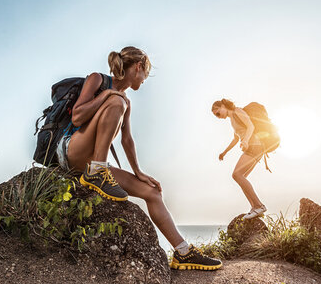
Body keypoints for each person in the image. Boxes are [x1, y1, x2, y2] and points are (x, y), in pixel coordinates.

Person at [57, 46, 222, 271]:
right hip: (72, 151)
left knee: (152, 192)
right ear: (139, 67)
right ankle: (97, 171)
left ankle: (183, 252)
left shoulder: (126, 101)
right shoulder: (98, 80)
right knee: (117, 102)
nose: (144, 80)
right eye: (146, 73)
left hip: (93, 163)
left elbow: (127, 141)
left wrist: (139, 173)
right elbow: (77, 117)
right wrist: (107, 95)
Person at [212, 99, 279, 220]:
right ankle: (255, 207)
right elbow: (235, 139)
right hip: (255, 147)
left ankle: (259, 205)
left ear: (222, 106)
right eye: (215, 116)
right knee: (241, 177)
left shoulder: (238, 111)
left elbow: (250, 126)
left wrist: (246, 140)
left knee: (237, 175)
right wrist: (225, 152)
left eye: (217, 113)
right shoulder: (232, 119)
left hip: (255, 145)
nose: (217, 116)